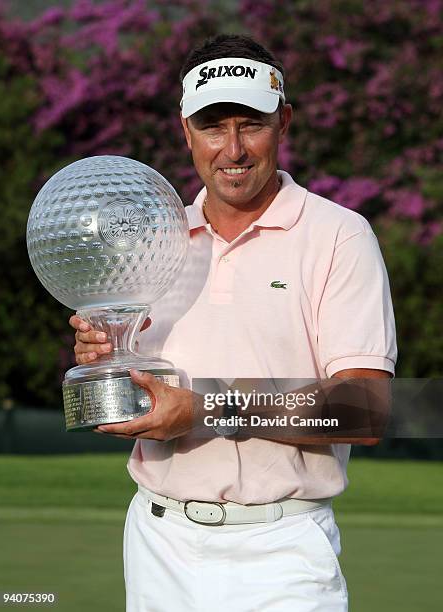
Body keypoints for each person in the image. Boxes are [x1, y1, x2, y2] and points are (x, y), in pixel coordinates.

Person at [70, 34, 396, 612]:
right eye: (214, 126)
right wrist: (104, 354)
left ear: (284, 123)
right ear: (185, 131)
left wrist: (203, 409)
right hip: (157, 540)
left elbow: (367, 408)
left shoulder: (339, 236)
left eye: (252, 124)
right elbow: (136, 378)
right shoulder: (152, 240)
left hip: (281, 548)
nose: (234, 149)